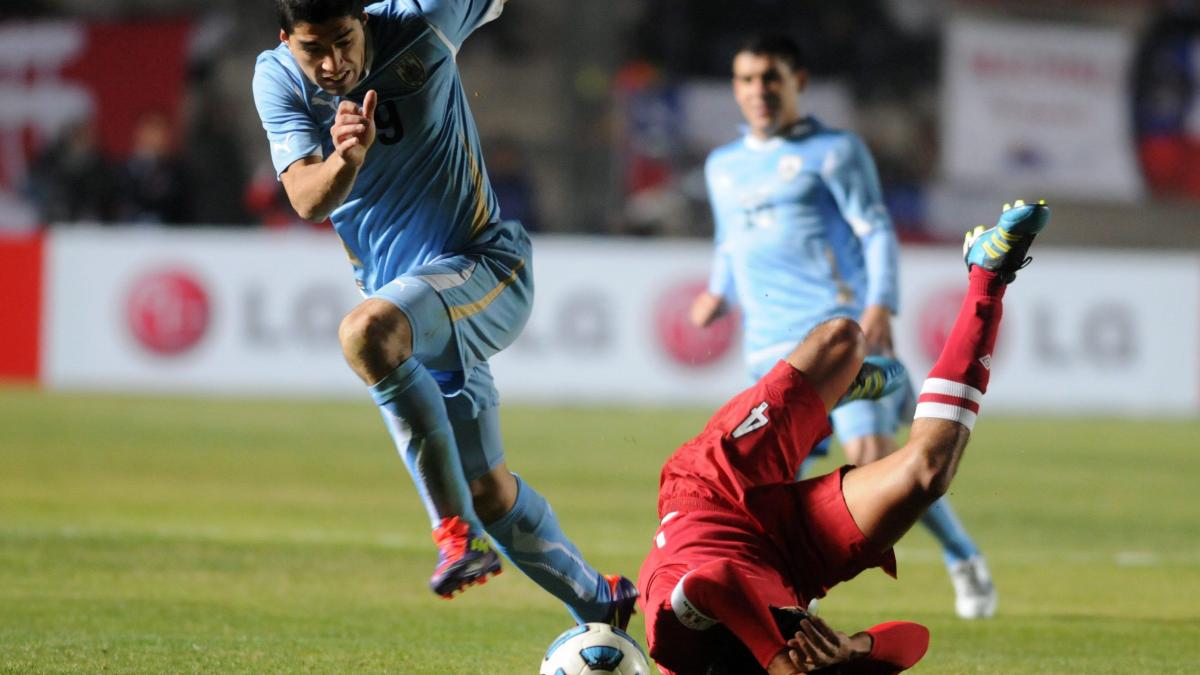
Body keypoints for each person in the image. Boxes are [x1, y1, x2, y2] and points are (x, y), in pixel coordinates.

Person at [251, 0, 636, 627]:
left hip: (484, 265)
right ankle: (601, 600)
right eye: (312, 48)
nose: (331, 63)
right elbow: (304, 198)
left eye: (343, 41)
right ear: (285, 39)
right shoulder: (277, 77)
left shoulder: (423, 20)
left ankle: (456, 535)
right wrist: (346, 159)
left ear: (365, 20)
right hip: (417, 307)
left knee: (366, 332)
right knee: (490, 491)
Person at [640, 201, 1050, 674]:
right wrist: (853, 648)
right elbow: (916, 641)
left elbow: (714, 579)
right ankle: (988, 275)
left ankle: (827, 402)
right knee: (927, 476)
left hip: (712, 494)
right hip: (794, 563)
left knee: (843, 341)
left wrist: (778, 662)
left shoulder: (676, 651)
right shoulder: (815, 662)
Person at [689, 34, 996, 619]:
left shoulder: (834, 150)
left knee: (874, 453)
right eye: (748, 80)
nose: (759, 91)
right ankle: (770, 595)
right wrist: (717, 292)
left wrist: (881, 303)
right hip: (770, 350)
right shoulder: (722, 166)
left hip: (837, 334)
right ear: (735, 87)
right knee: (764, 484)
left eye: (771, 78)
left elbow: (874, 227)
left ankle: (962, 558)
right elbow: (731, 239)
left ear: (798, 81)